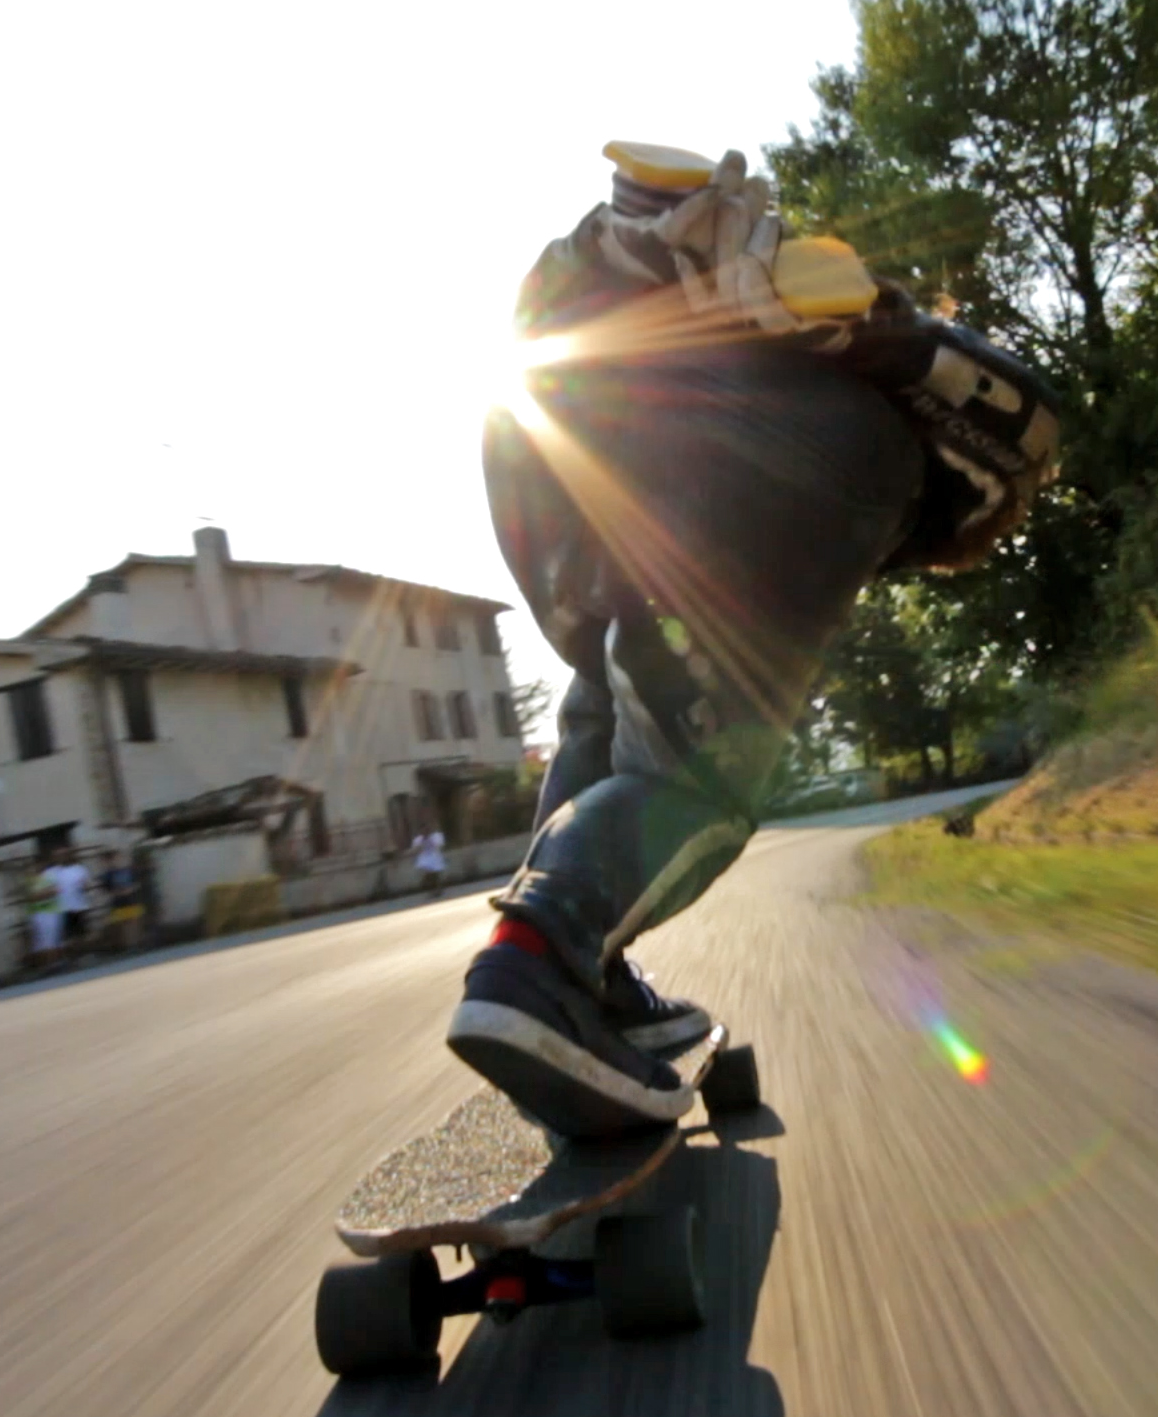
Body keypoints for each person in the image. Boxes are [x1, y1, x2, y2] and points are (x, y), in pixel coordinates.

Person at [446, 141, 1058, 1138]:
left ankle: (582, 972)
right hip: (747, 455)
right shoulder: (882, 389)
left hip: (570, 450)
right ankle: (544, 959)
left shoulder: (613, 284)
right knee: (703, 779)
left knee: (606, 702)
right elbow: (1016, 423)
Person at [44, 848, 95, 962]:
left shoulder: (78, 869)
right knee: (68, 935)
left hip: (79, 905)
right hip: (62, 908)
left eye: (63, 855)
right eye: (57, 855)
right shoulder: (50, 873)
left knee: (81, 932)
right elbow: (46, 890)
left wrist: (84, 887)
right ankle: (72, 957)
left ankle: (82, 954)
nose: (61, 857)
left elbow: (87, 885)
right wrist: (52, 891)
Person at [100, 849, 145, 953]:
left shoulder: (129, 870)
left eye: (116, 858)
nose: (115, 861)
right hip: (118, 901)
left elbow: (137, 883)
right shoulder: (108, 875)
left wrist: (130, 889)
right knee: (123, 924)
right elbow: (106, 890)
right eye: (112, 859)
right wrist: (118, 893)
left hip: (131, 899)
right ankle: (129, 946)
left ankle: (138, 943)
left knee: (135, 922)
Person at [412, 825, 450, 900]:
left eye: (426, 830)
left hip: (434, 857)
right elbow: (416, 849)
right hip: (425, 858)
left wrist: (429, 840)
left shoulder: (436, 836)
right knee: (428, 874)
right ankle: (432, 889)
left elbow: (439, 845)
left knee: (436, 875)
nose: (424, 832)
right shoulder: (418, 840)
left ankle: (438, 890)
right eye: (423, 831)